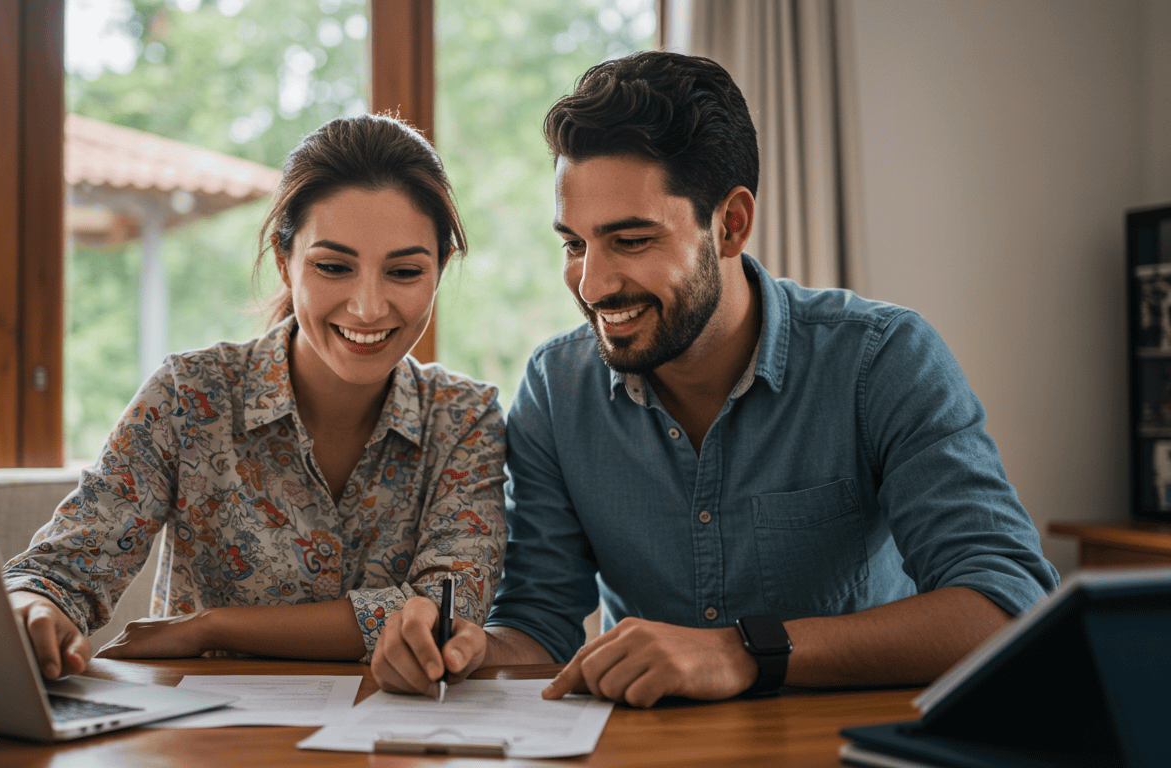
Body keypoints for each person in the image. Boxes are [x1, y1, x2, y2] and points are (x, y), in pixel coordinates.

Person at [370, 52, 1059, 706]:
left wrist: (745, 650)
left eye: (632, 241)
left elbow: (1005, 606)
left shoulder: (882, 359)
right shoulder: (557, 387)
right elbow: (540, 623)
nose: (593, 282)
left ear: (730, 224)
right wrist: (462, 652)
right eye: (574, 244)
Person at [3, 114, 506, 681]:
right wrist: (34, 609)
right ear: (283, 262)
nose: (368, 307)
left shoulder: (465, 417)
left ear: (440, 268)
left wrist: (211, 627)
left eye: (405, 271)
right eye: (333, 267)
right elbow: (58, 573)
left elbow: (447, 610)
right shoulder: (189, 397)